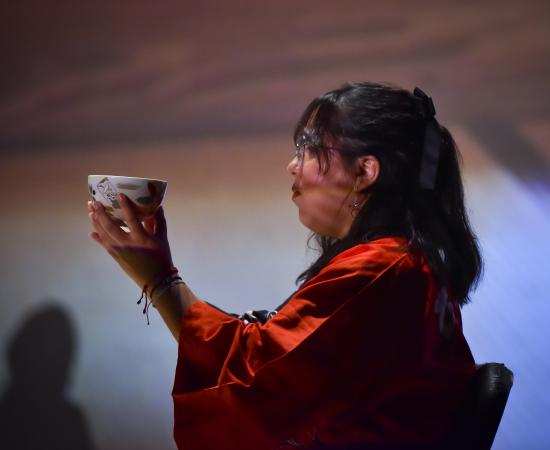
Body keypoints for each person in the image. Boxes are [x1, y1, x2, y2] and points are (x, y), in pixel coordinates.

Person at [87, 81, 482, 450]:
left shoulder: (380, 271)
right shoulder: (405, 264)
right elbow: (273, 363)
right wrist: (162, 281)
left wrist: (161, 281)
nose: (293, 166)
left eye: (308, 148)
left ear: (364, 172)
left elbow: (256, 379)